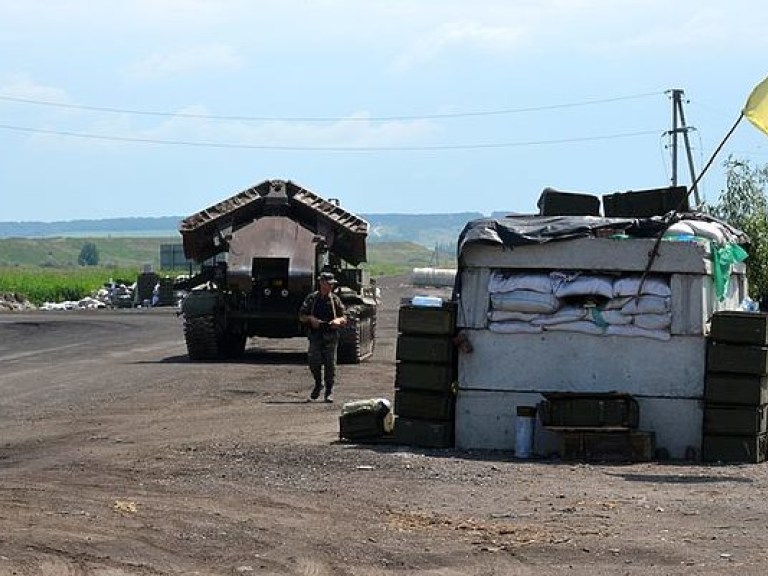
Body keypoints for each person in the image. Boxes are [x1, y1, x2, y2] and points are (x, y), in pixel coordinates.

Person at [298, 271, 347, 402]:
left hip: (330, 335)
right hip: (315, 335)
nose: (330, 286)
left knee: (330, 365)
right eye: (327, 284)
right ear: (321, 283)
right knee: (314, 362)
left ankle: (329, 391)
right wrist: (311, 319)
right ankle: (318, 383)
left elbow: (344, 317)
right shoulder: (312, 299)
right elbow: (301, 316)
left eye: (331, 284)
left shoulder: (335, 300)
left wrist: (338, 321)